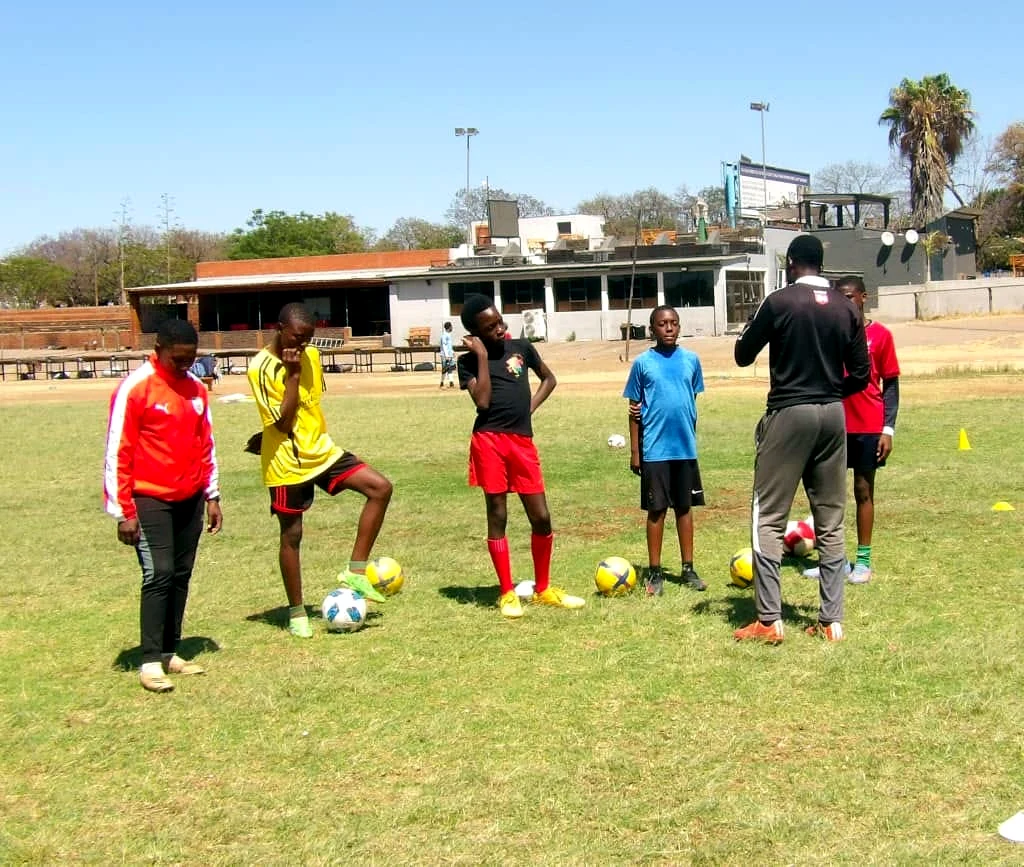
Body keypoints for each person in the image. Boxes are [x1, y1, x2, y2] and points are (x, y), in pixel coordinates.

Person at [733, 235, 870, 643]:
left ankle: (769, 619)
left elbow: (743, 354)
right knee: (830, 518)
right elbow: (861, 374)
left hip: (789, 414)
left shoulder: (779, 301)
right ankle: (832, 621)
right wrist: (828, 396)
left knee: (768, 517)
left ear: (791, 263)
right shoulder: (847, 308)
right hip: (832, 416)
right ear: (822, 264)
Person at [247, 303, 392, 638]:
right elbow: (283, 424)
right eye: (298, 338)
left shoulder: (310, 355)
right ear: (280, 327)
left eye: (308, 340)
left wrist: (301, 366)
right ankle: (297, 613)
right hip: (287, 463)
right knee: (292, 535)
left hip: (322, 452)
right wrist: (293, 374)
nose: (302, 346)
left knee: (380, 488)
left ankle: (355, 571)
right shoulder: (261, 369)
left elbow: (308, 408)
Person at [103, 319, 223, 693]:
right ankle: (150, 660)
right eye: (178, 359)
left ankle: (171, 651)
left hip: (190, 497)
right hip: (149, 497)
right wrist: (124, 511)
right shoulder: (136, 388)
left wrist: (212, 494)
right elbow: (117, 450)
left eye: (191, 359)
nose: (185, 366)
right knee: (159, 573)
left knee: (181, 574)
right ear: (159, 350)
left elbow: (206, 443)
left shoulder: (195, 391)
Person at [457, 294, 585, 618]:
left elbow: (549, 379)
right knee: (498, 513)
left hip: (522, 441)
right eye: (490, 327)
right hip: (488, 440)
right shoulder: (467, 362)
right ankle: (506, 592)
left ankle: (542, 588)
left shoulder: (522, 348)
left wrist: (528, 409)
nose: (500, 329)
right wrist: (483, 357)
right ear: (476, 333)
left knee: (541, 516)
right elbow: (483, 402)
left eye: (500, 321)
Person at [803, 276, 900, 584]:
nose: (845, 302)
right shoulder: (830, 332)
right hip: (832, 422)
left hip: (868, 424)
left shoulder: (880, 335)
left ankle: (864, 561)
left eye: (849, 296)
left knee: (863, 491)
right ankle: (833, 560)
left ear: (863, 297)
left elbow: (891, 385)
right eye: (839, 297)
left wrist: (888, 428)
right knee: (828, 495)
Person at [623, 305, 707, 596]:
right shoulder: (643, 363)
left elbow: (691, 399)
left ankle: (688, 568)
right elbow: (633, 410)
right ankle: (655, 571)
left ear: (679, 326)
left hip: (684, 448)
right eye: (662, 324)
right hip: (654, 450)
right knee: (656, 510)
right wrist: (635, 451)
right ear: (652, 329)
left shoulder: (691, 360)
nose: (668, 328)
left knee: (684, 509)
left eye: (673, 323)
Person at [439, 321, 456, 389]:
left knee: (450, 368)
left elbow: (449, 346)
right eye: (451, 326)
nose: (452, 328)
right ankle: (442, 382)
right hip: (445, 356)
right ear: (449, 327)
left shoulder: (448, 335)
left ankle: (451, 382)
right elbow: (444, 346)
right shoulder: (444, 335)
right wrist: (447, 356)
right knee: (445, 369)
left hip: (449, 355)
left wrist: (452, 352)